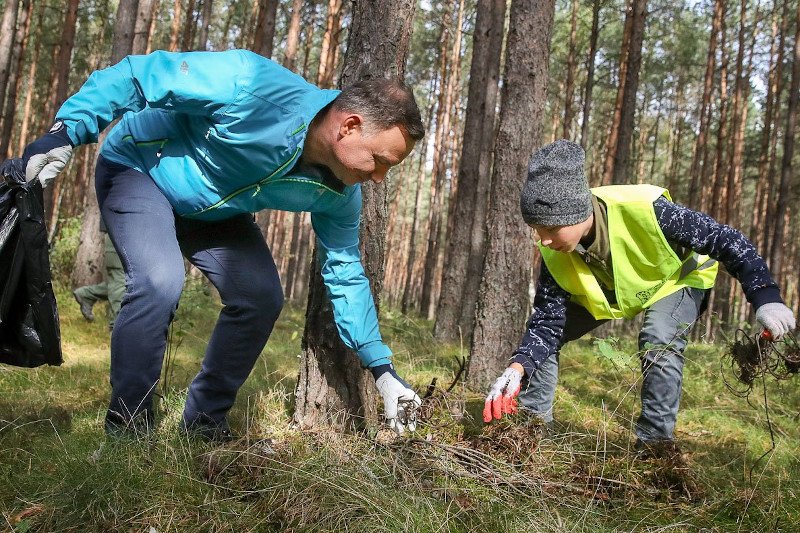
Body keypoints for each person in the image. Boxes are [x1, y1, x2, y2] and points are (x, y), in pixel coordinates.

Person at [18, 49, 425, 440]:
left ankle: (203, 424)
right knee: (159, 281)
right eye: (381, 160)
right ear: (349, 126)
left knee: (261, 296)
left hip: (214, 213)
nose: (379, 178)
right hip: (141, 170)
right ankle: (128, 433)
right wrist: (66, 130)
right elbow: (138, 75)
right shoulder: (250, 83)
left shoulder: (340, 193)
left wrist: (382, 371)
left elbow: (346, 271)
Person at [483, 140, 796, 452]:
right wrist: (518, 366)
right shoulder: (554, 252)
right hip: (619, 293)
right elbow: (546, 325)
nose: (543, 240)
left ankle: (656, 449)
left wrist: (765, 296)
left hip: (678, 279)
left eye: (549, 229)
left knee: (658, 339)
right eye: (536, 230)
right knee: (541, 346)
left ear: (575, 212)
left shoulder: (647, 210)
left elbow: (726, 239)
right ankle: (530, 434)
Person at [72, 220, 125, 329]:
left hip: (123, 233)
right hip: (120, 232)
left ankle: (86, 295)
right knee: (119, 281)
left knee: (119, 281)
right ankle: (117, 325)